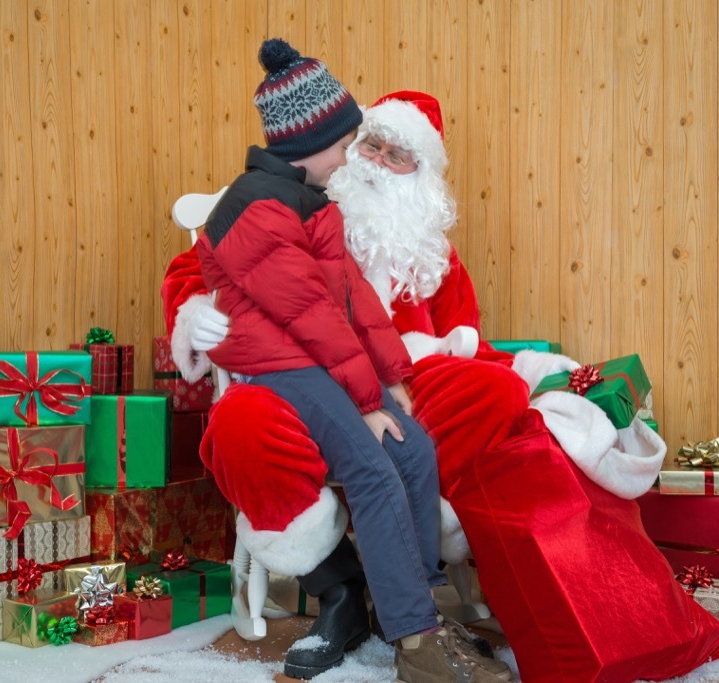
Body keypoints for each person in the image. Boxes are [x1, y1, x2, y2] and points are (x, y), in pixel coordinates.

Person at [164, 90, 719, 682]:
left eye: (398, 155)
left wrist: (506, 375)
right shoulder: (293, 205)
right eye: (369, 147)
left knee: (488, 395)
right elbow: (201, 267)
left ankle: (410, 608)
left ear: (423, 174)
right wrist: (193, 310)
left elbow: (465, 346)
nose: (378, 163)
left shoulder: (435, 257)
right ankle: (342, 593)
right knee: (241, 426)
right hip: (286, 380)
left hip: (396, 384)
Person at [188, 40, 507, 683]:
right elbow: (312, 317)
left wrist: (393, 377)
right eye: (346, 142)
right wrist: (365, 402)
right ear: (310, 141)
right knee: (373, 467)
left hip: (311, 358)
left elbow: (356, 299)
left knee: (411, 447)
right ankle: (417, 645)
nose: (351, 155)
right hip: (274, 364)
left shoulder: (313, 198)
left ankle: (413, 613)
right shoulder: (257, 207)